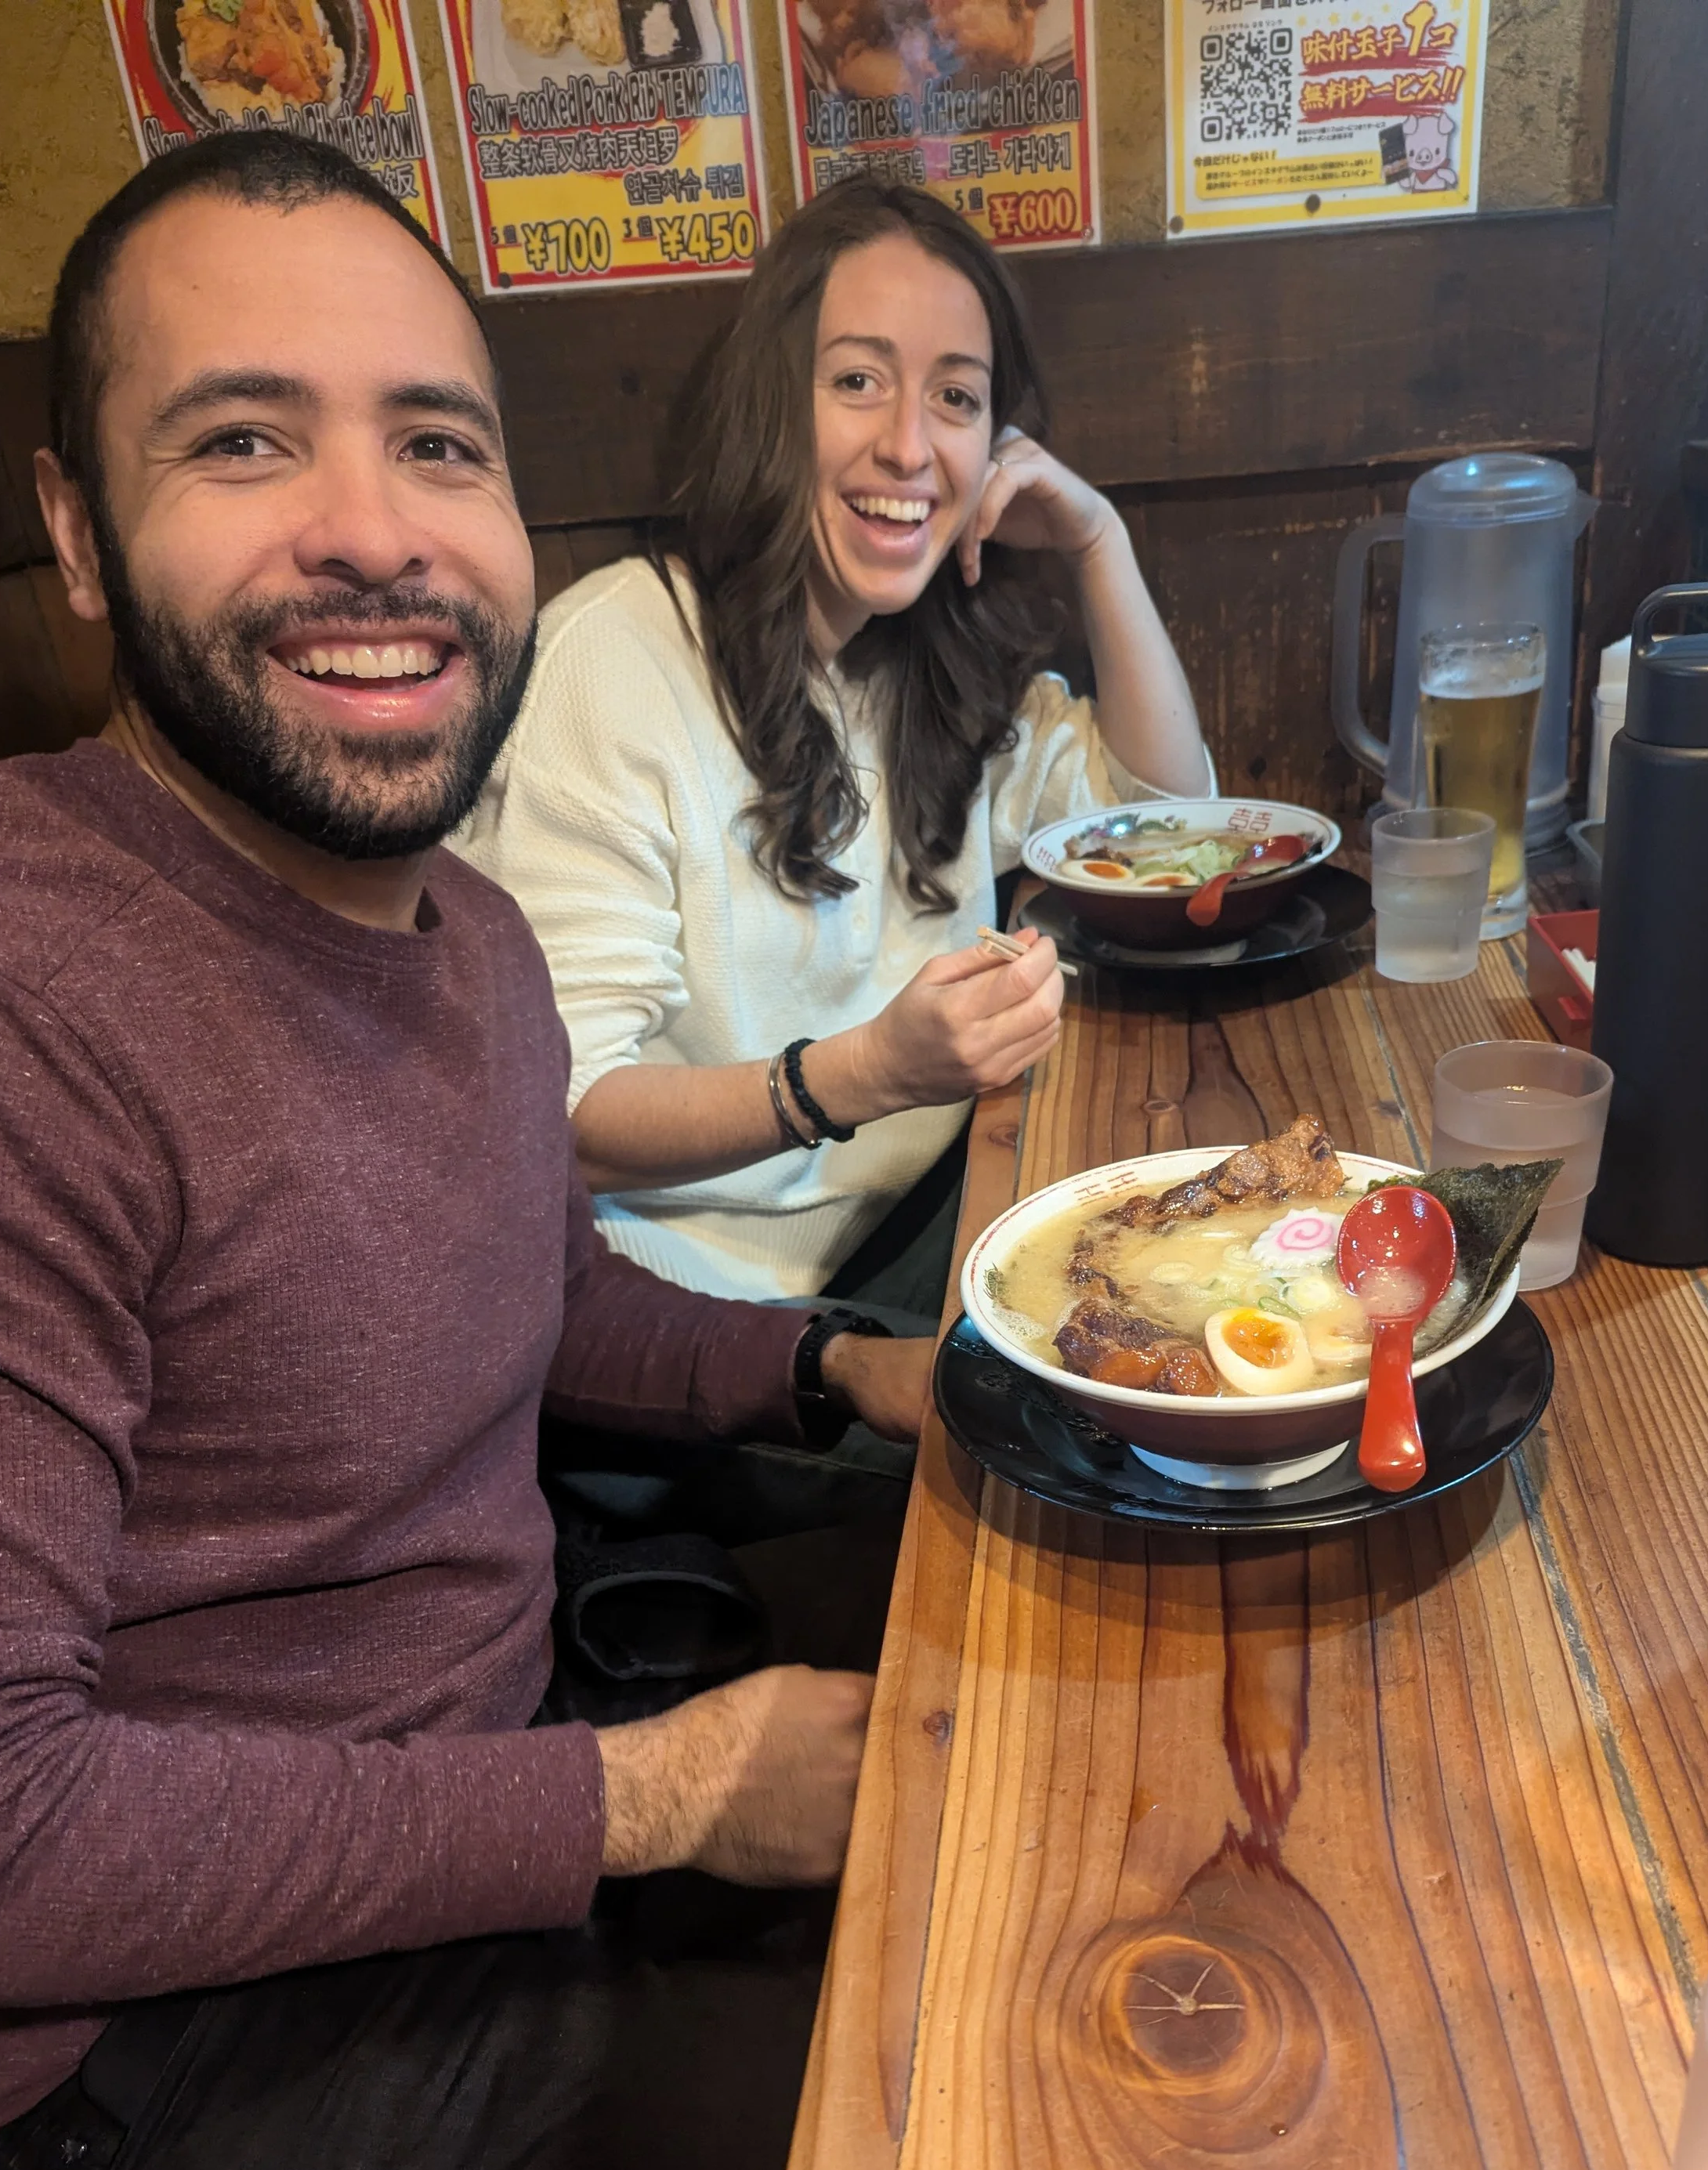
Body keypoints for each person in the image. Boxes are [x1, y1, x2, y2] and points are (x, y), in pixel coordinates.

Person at [0, 132, 926, 2170]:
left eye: (437, 442)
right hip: (116, 2084)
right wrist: (655, 1804)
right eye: (245, 441)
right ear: (78, 537)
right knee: (949, 2136)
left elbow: (518, 1296)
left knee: (1036, 1677)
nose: (371, 529)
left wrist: (840, 1378)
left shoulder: (460, 927)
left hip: (472, 1789)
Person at [459, 177, 1210, 1319]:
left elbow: (1172, 827)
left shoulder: (919, 656)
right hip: (711, 1319)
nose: (909, 446)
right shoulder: (611, 663)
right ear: (773, 406)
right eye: (858, 381)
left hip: (940, 1210)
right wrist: (867, 1072)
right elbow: (560, 1119)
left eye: (955, 399)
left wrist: (1099, 540)